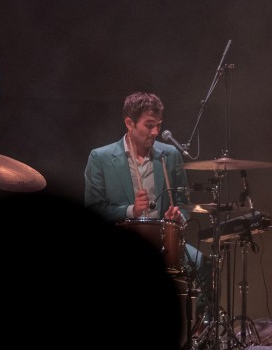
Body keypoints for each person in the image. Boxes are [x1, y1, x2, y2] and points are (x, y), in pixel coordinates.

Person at [83, 92, 210, 293]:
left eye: (158, 125)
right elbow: (93, 209)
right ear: (129, 123)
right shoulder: (101, 158)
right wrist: (130, 211)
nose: (155, 132)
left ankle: (203, 324)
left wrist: (177, 217)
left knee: (202, 264)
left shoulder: (169, 155)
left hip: (163, 244)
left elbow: (183, 201)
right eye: (149, 125)